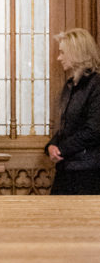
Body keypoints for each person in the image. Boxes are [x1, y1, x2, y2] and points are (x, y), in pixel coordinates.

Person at [45, 27, 100, 194]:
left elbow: (94, 130)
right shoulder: (71, 85)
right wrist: (52, 145)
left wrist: (62, 149)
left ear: (77, 53)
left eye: (62, 52)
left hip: (88, 172)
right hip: (67, 168)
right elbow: (67, 126)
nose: (58, 58)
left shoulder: (97, 85)